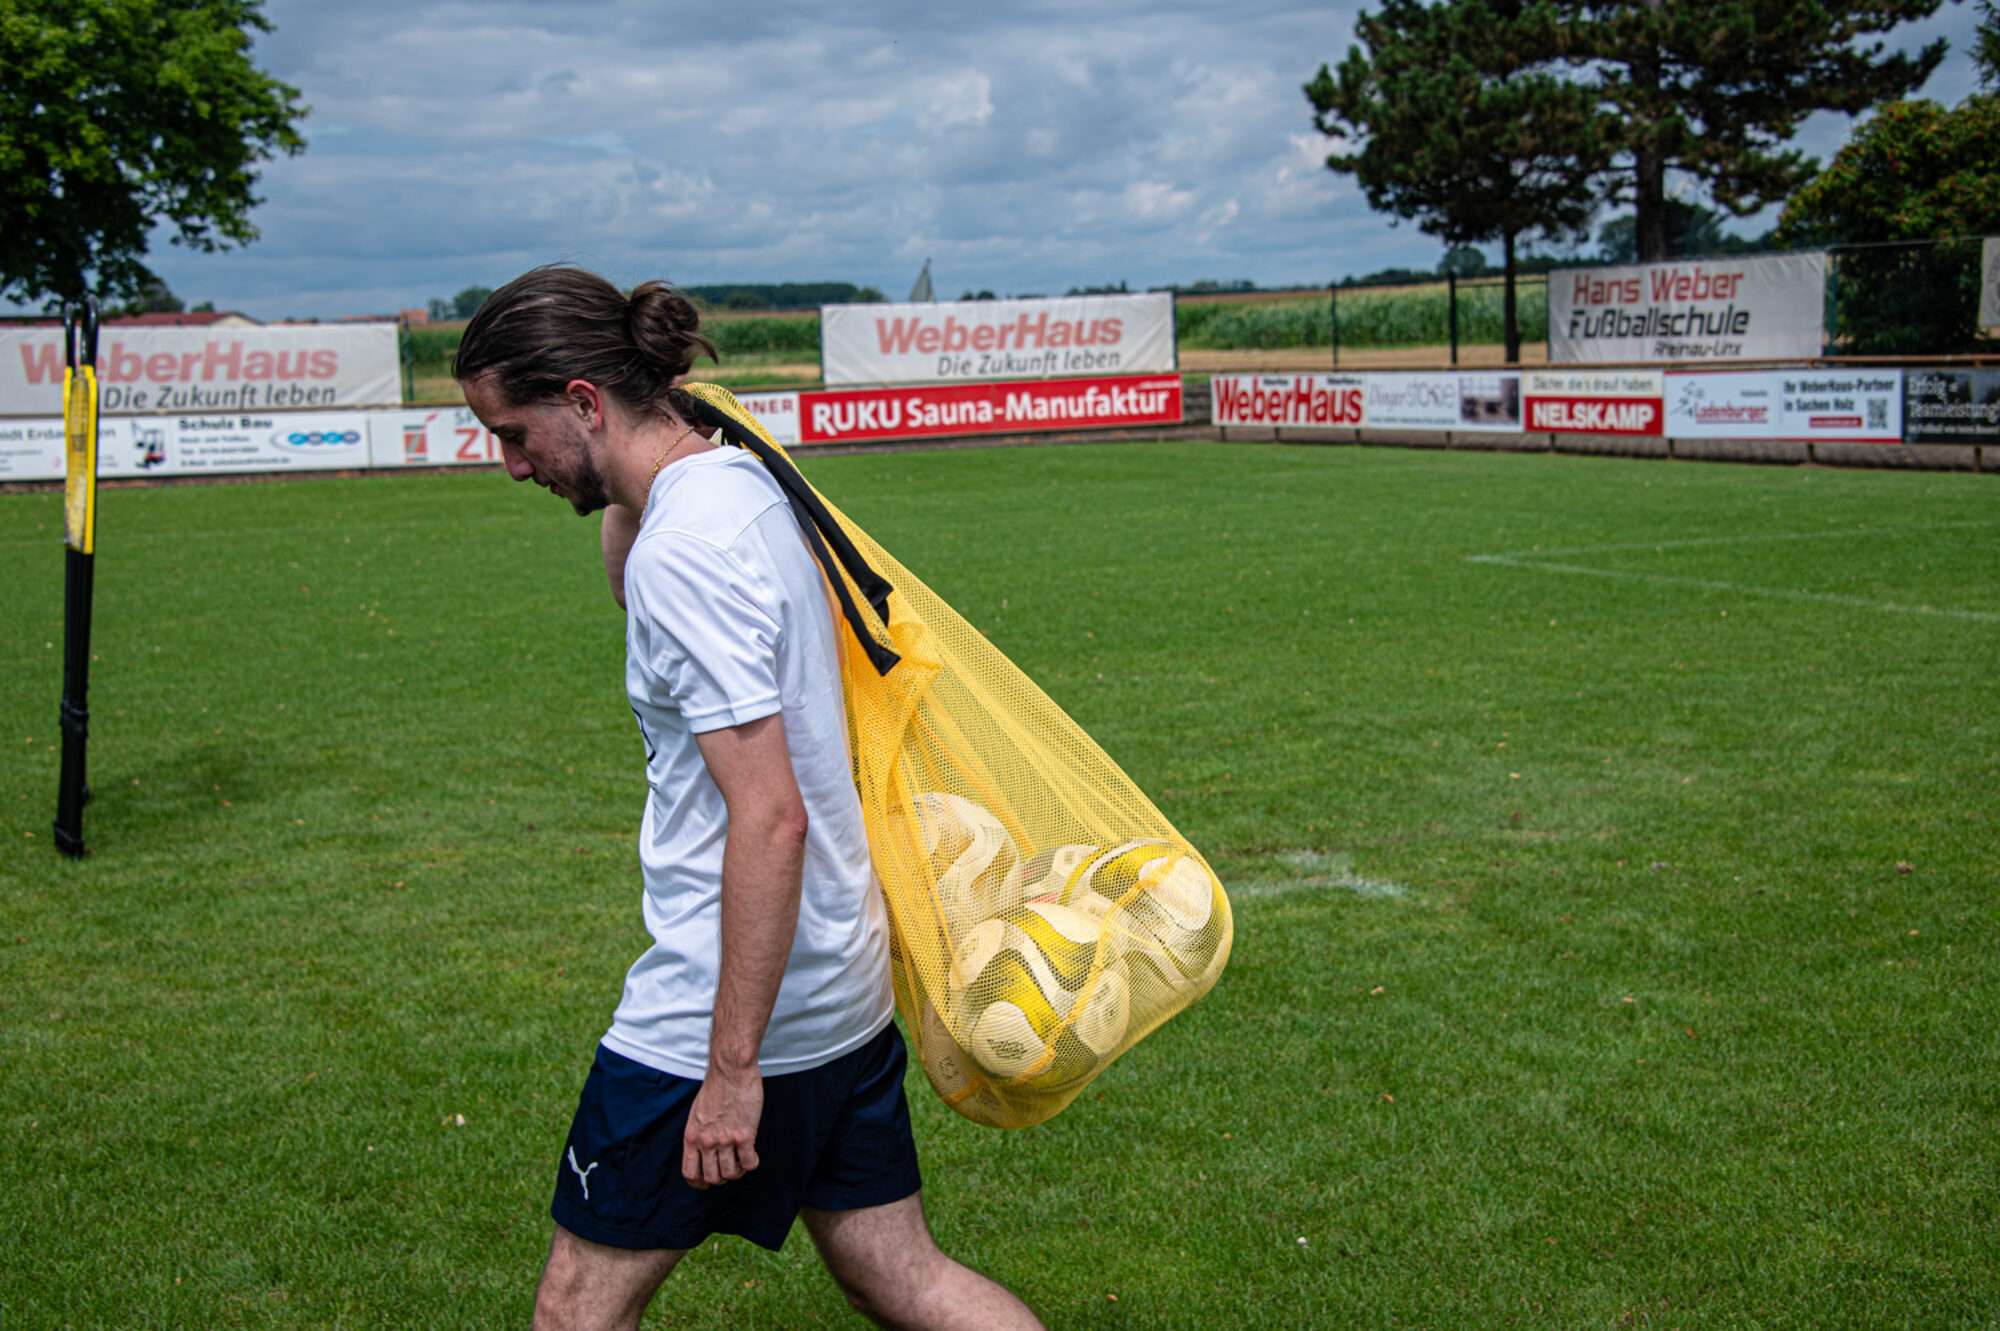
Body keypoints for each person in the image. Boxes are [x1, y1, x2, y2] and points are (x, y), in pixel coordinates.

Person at [453, 266, 1044, 1331]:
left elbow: (769, 815)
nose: (509, 465)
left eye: (514, 431)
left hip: (719, 1014)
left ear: (586, 401)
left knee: (573, 1312)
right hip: (839, 985)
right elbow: (637, 574)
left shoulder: (686, 546)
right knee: (901, 1277)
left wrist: (730, 1072)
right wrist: (616, 490)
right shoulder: (733, 477)